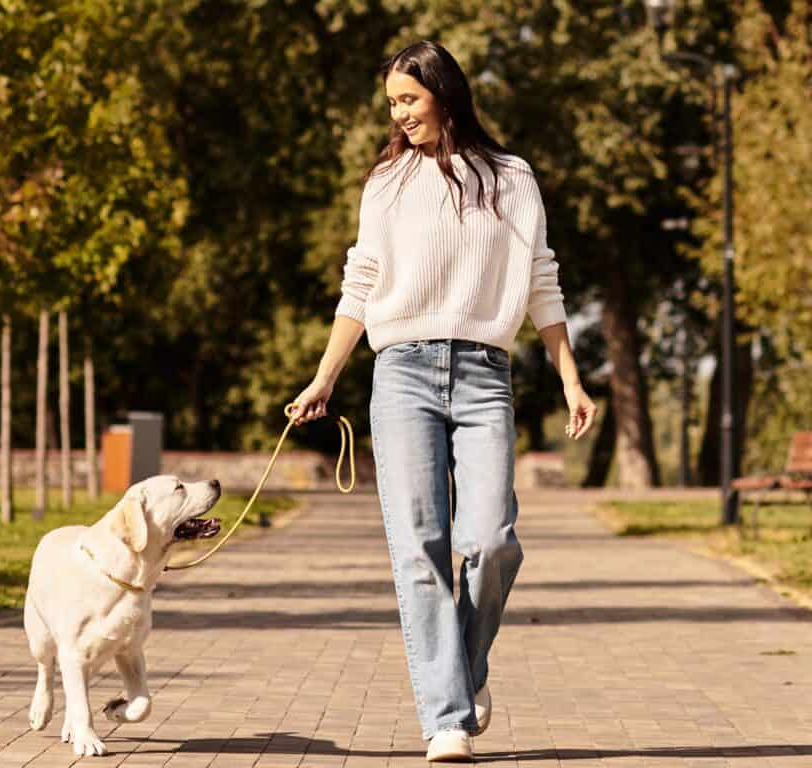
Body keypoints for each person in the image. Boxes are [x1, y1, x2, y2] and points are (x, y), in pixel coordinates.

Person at [290, 40, 597, 763]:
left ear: (444, 94)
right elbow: (360, 283)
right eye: (392, 103)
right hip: (400, 374)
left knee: (491, 541)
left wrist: (571, 378)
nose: (399, 114)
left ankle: (464, 670)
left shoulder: (512, 177)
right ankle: (446, 720)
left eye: (408, 99)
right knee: (418, 550)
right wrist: (326, 375)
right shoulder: (387, 181)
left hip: (486, 372)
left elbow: (542, 281)